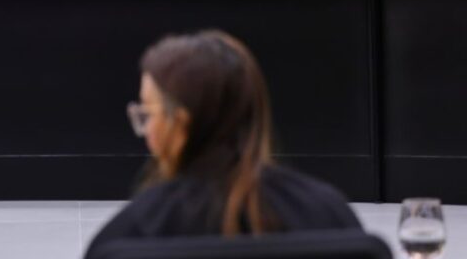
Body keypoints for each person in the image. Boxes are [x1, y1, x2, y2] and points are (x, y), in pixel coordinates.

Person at [84, 31, 361, 258]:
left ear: (178, 124)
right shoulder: (330, 216)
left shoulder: (128, 236)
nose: (144, 128)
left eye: (147, 114)